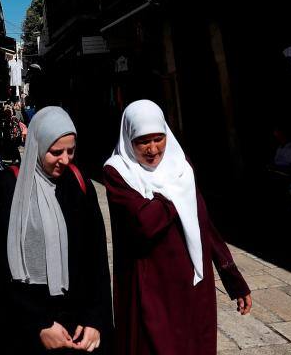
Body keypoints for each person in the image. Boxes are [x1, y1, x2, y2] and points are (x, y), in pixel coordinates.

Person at [104, 100, 251, 355]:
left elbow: (203, 222)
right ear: (129, 139)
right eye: (142, 141)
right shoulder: (118, 173)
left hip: (193, 285)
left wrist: (233, 279)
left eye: (158, 139)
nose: (153, 149)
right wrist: (175, 194)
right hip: (151, 285)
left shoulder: (181, 166)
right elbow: (145, 223)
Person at [0, 107, 112, 352]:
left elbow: (97, 260)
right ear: (37, 147)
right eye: (56, 152)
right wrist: (39, 324)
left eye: (71, 151)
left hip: (75, 329)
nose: (65, 160)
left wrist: (95, 319)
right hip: (23, 330)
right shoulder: (8, 189)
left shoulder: (78, 185)